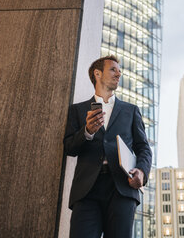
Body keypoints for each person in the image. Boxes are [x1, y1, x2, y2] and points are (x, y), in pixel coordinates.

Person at [63, 55, 152, 238]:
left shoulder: (131, 110)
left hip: (121, 188)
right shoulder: (77, 110)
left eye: (120, 71)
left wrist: (142, 172)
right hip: (87, 191)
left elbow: (143, 148)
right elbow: (69, 147)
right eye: (113, 69)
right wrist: (87, 131)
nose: (118, 74)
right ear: (97, 73)